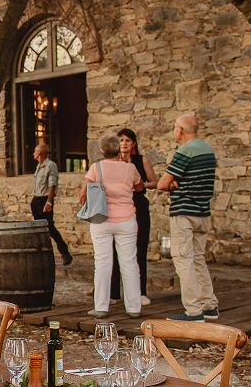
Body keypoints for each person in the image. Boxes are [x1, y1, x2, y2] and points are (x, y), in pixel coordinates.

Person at [157, 114, 220, 322]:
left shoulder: (185, 151)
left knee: (183, 259)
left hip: (184, 211)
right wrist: (173, 181)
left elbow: (162, 184)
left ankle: (193, 311)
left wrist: (173, 182)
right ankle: (209, 305)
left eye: (174, 127)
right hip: (202, 212)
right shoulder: (207, 149)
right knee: (199, 259)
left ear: (180, 129)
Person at [80, 133, 144, 318]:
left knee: (102, 262)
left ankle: (101, 306)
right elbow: (139, 187)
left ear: (101, 150)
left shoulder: (96, 167)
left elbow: (83, 193)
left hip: (102, 219)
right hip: (126, 219)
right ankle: (133, 307)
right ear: (119, 149)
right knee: (129, 262)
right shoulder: (130, 168)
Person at [110, 128, 160, 305]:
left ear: (133, 143)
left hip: (138, 205)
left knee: (139, 248)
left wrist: (140, 184)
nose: (124, 143)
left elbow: (155, 182)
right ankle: (114, 293)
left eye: (127, 140)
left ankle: (140, 292)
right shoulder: (113, 162)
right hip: (118, 207)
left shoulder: (141, 160)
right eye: (121, 140)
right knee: (115, 249)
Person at [30, 143, 74, 265]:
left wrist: (49, 201)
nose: (33, 154)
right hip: (37, 200)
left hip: (45, 199)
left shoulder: (50, 166)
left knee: (49, 227)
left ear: (39, 153)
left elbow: (52, 184)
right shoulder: (39, 167)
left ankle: (64, 252)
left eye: (35, 151)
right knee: (39, 229)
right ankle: (42, 255)